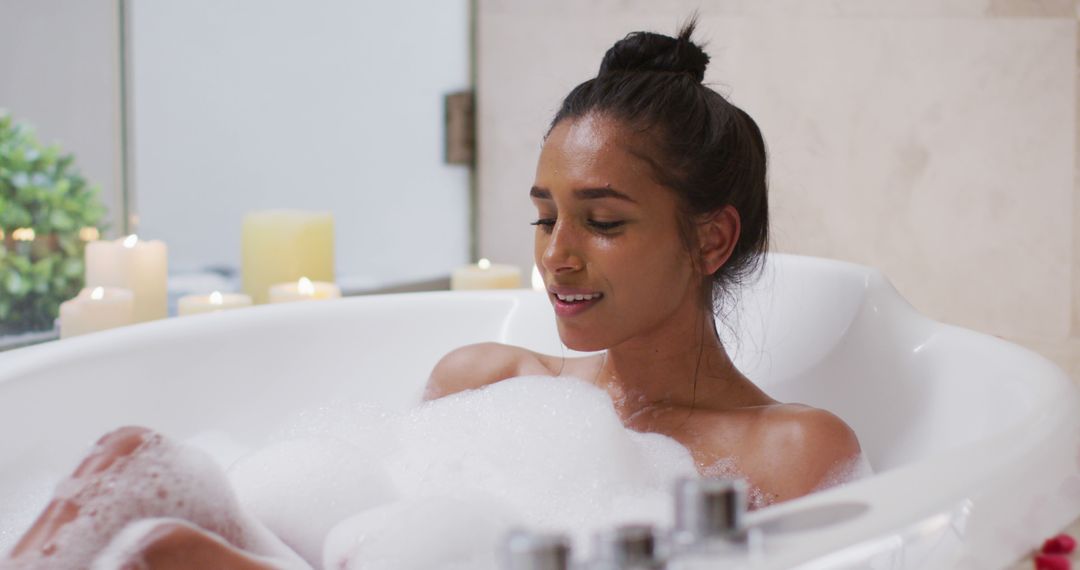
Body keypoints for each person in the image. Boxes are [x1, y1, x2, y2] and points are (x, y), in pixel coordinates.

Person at [4, 20, 863, 569]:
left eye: (601, 222)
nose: (555, 257)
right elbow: (367, 532)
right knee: (128, 463)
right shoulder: (486, 382)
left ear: (710, 238)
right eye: (543, 218)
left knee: (160, 550)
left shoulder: (790, 451)